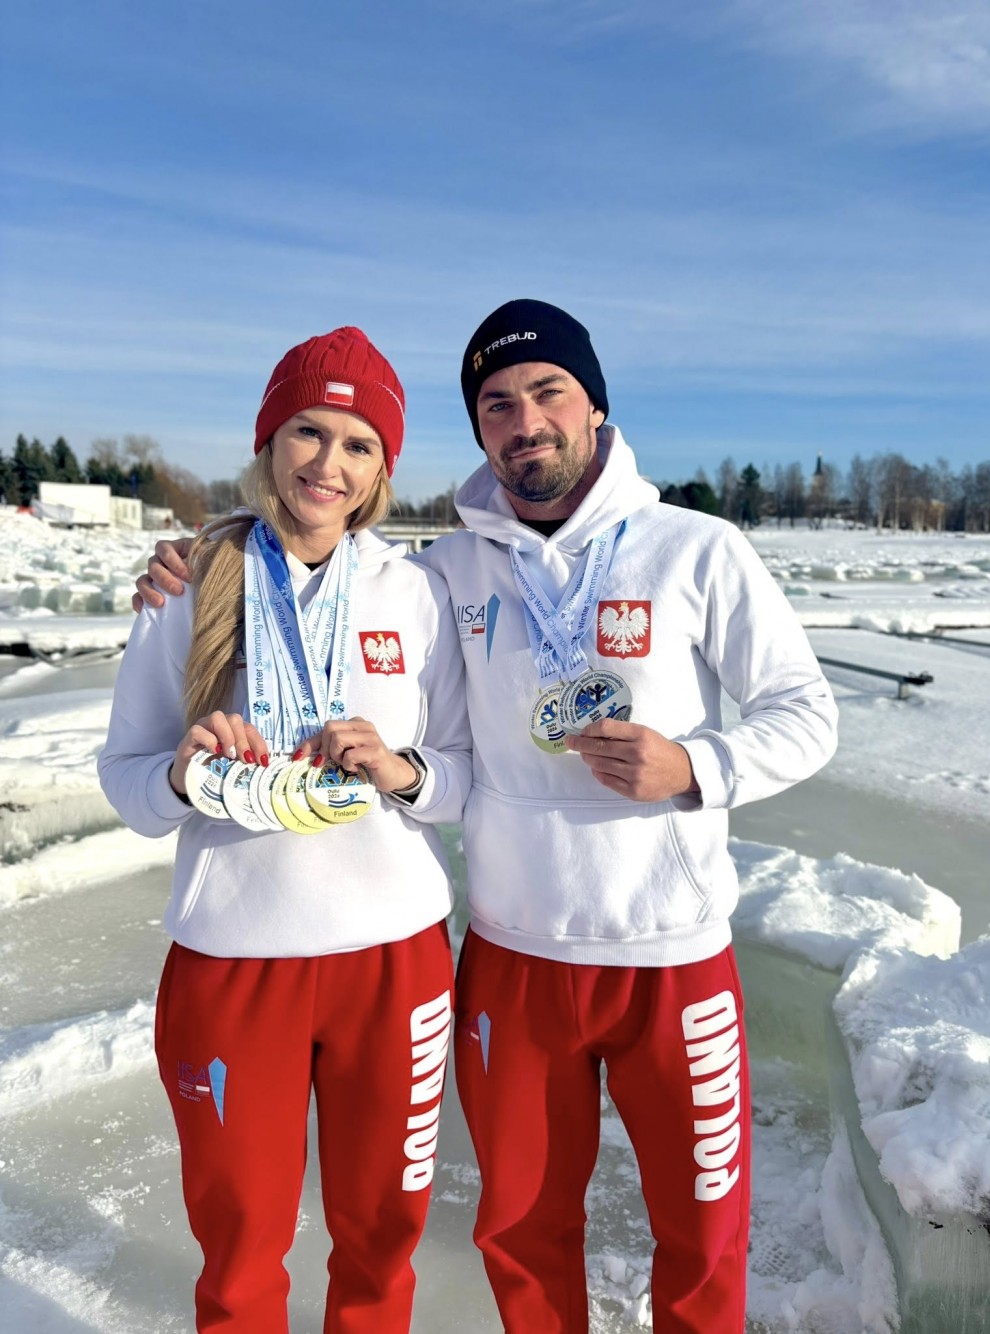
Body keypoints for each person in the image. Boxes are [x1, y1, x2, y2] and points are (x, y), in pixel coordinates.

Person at [136, 300, 838, 1333]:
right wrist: (197, 563)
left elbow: (806, 713)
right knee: (520, 1232)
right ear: (477, 429)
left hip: (671, 954)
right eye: (497, 404)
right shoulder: (447, 572)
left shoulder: (698, 548)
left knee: (701, 1238)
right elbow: (345, 615)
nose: (525, 420)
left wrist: (699, 765)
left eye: (548, 391)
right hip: (514, 960)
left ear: (595, 405)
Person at [104, 326, 471, 1334]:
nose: (328, 463)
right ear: (268, 440)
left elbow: (463, 778)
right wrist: (182, 773)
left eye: (358, 444)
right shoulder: (189, 584)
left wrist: (403, 771)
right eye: (308, 431)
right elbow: (127, 783)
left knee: (381, 1238)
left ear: (382, 469)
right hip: (234, 964)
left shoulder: (416, 591)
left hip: (392, 963)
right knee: (239, 1252)